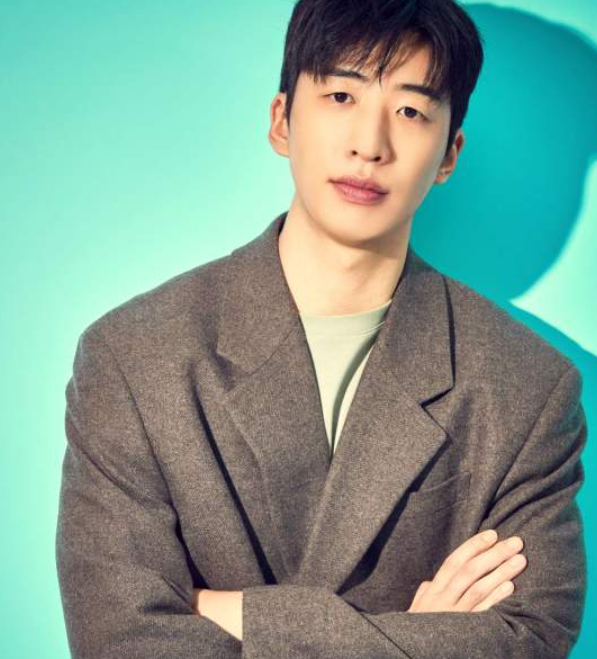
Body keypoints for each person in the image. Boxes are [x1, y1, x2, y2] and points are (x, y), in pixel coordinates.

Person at [56, 1, 588, 658]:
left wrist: (222, 610)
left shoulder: (527, 388)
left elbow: (530, 638)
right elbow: (116, 637)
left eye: (411, 110)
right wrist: (418, 635)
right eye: (341, 96)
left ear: (449, 153)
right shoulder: (132, 359)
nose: (370, 144)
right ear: (282, 120)